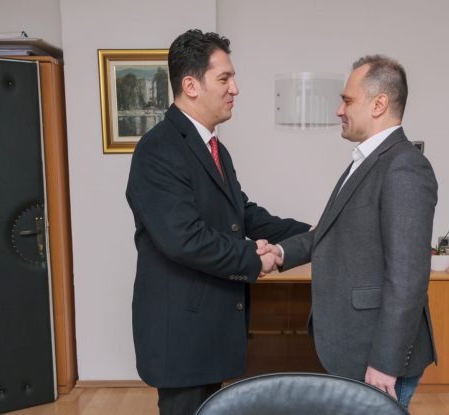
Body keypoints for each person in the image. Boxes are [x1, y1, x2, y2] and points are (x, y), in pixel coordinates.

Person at [126, 29, 310, 415]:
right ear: (191, 85)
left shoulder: (215, 148)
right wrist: (254, 257)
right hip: (181, 336)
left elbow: (243, 214)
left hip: (210, 329)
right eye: (224, 78)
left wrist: (314, 233)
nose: (235, 89)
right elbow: (184, 238)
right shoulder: (157, 150)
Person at [258, 55, 438, 408]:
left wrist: (386, 362)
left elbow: (408, 277)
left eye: (347, 100)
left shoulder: (404, 166)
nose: (339, 110)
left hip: (377, 356)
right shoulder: (370, 161)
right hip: (353, 346)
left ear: (378, 104)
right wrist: (280, 253)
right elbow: (329, 231)